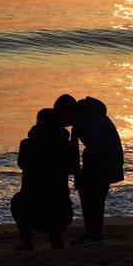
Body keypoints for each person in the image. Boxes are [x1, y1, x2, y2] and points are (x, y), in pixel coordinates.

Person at [54, 94, 124, 245]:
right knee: (92, 196)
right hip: (108, 159)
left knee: (92, 196)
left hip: (105, 160)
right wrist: (79, 172)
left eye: (61, 116)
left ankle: (93, 234)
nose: (62, 122)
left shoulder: (86, 120)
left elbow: (96, 147)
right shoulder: (84, 116)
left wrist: (82, 173)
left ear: (69, 111)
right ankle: (93, 233)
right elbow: (77, 150)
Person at [11, 107, 79, 250]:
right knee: (65, 205)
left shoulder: (27, 144)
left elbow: (22, 164)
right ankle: (56, 236)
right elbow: (74, 169)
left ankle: (27, 239)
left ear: (38, 123)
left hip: (31, 207)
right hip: (58, 208)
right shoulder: (66, 145)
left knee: (17, 201)